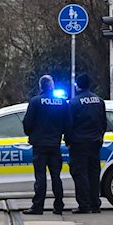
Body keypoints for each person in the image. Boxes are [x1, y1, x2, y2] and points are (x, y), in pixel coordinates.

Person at [22, 75, 69, 215]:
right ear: (52, 86)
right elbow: (67, 123)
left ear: (40, 86)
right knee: (56, 176)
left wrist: (32, 133)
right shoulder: (61, 102)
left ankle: (38, 206)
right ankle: (59, 205)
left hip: (39, 145)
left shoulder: (35, 102)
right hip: (55, 144)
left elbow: (27, 123)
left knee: (40, 176)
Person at [66, 73, 108, 214]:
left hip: (79, 144)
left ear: (77, 86)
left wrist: (68, 141)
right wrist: (100, 136)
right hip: (95, 142)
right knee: (94, 173)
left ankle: (84, 205)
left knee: (80, 174)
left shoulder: (74, 102)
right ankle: (95, 204)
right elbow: (103, 122)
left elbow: (69, 125)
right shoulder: (99, 101)